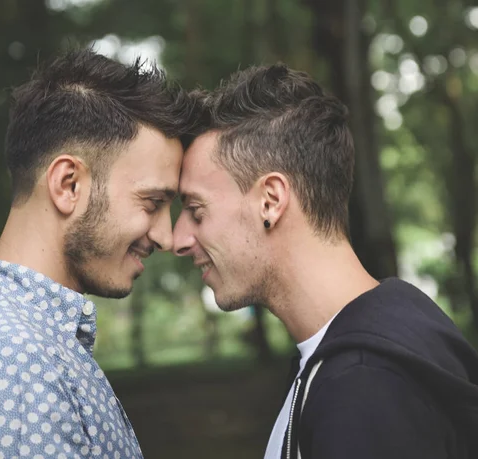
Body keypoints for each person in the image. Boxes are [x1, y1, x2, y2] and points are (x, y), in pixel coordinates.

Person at [0, 49, 196, 458]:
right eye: (152, 202)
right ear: (68, 185)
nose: (166, 236)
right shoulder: (9, 363)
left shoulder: (25, 344)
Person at [173, 63, 478, 458]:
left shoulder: (366, 388)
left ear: (271, 200)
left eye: (196, 211)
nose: (177, 240)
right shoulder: (350, 354)